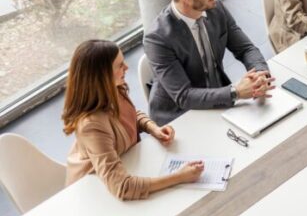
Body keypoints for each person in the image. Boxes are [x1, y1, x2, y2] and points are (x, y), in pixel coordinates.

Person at [62, 40, 203, 200]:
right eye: (120, 65)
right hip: (94, 193)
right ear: (103, 75)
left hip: (125, 164)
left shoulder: (114, 89)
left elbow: (131, 115)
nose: (127, 67)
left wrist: (153, 128)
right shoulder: (92, 125)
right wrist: (179, 177)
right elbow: (123, 187)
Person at [144, 0, 274, 125]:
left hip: (218, 99)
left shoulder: (215, 7)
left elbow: (246, 49)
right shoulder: (157, 39)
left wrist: (261, 75)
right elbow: (184, 96)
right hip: (181, 116)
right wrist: (235, 92)